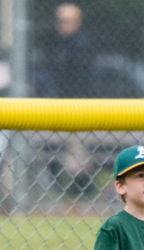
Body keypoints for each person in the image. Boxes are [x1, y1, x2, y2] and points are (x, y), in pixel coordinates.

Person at [38, 3, 95, 196]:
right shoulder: (51, 44)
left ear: (78, 23)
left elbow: (82, 81)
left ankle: (82, 188)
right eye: (62, 21)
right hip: (53, 106)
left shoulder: (83, 46)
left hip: (77, 107)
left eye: (70, 21)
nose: (65, 25)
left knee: (76, 150)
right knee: (50, 148)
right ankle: (54, 188)